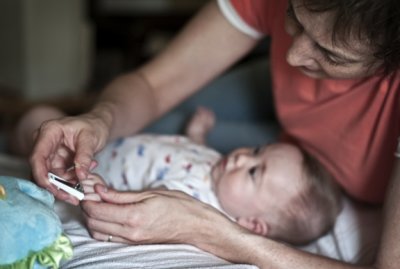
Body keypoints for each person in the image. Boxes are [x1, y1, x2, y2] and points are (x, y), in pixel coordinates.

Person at [28, 0, 400, 268]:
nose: (293, 55)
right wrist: (99, 119)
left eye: (331, 53)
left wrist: (216, 233)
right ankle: (40, 113)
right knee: (153, 122)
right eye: (294, 15)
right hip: (286, 126)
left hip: (296, 142)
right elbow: (152, 85)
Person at [15, 105, 341, 245]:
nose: (242, 157)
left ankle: (20, 137)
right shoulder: (220, 166)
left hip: (80, 167)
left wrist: (100, 190)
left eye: (255, 171)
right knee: (47, 120)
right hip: (101, 143)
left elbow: (139, 209)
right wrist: (197, 134)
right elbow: (192, 153)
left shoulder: (196, 203)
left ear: (252, 224)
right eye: (256, 150)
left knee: (35, 124)